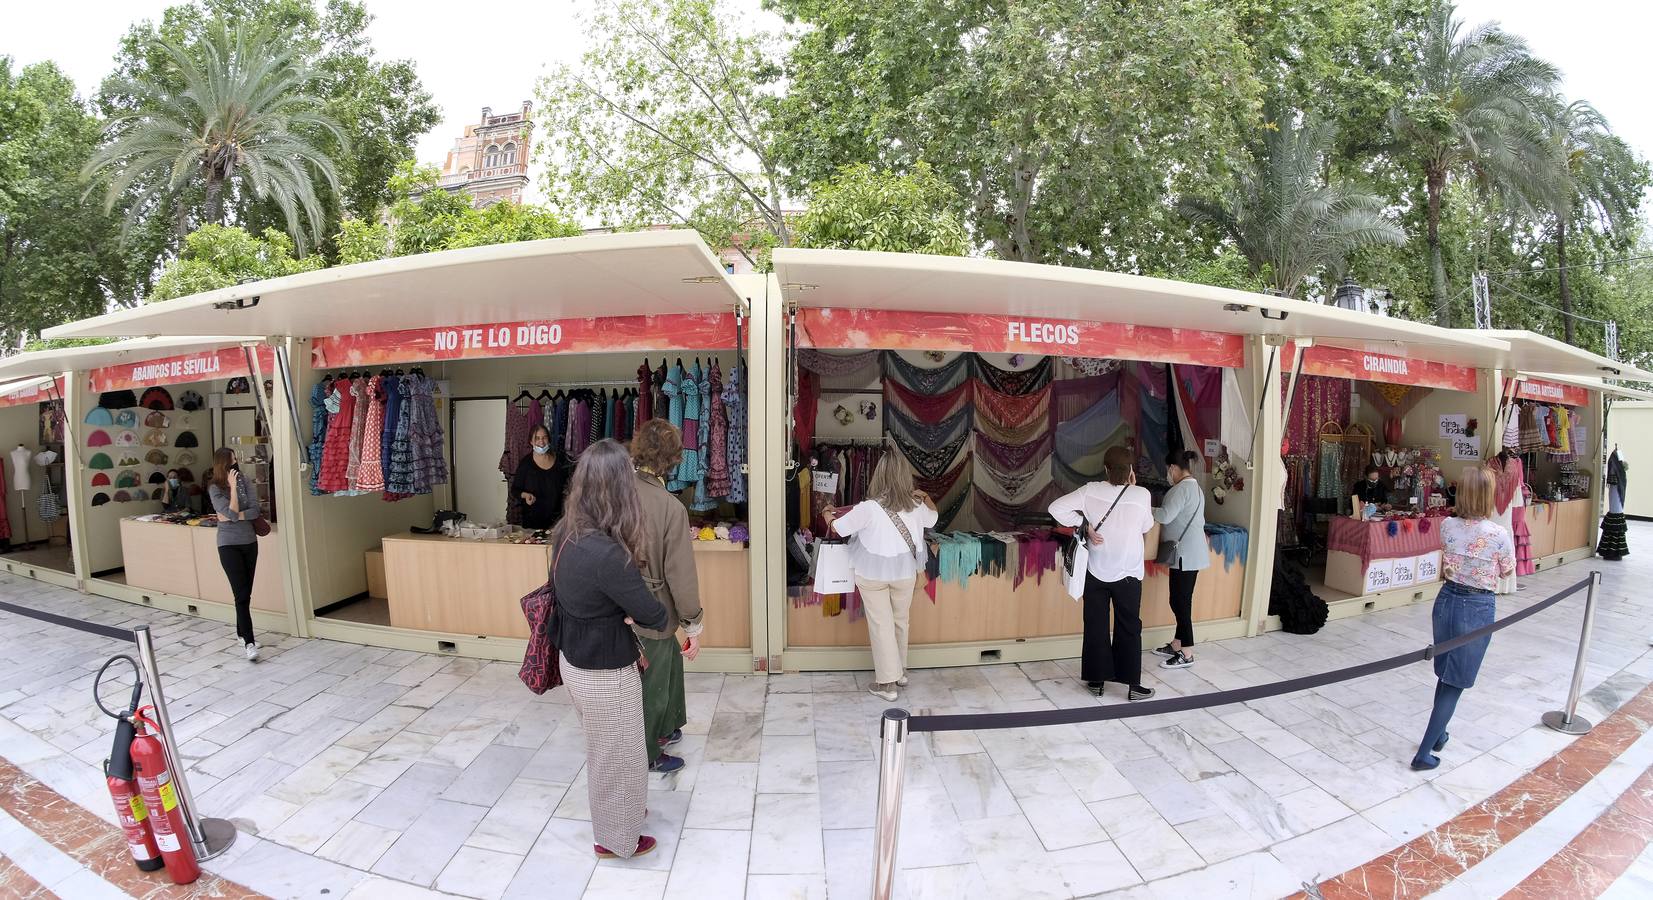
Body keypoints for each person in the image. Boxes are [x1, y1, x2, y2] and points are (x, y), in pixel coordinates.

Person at [548, 438, 670, 859]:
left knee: (607, 749)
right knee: (618, 754)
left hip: (574, 661)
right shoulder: (608, 555)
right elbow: (653, 614)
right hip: (605, 671)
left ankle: (625, 813)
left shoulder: (567, 533)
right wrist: (640, 614)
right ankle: (616, 840)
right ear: (620, 489)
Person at [1412, 464, 1513, 771]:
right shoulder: (1498, 534)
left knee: (1447, 673)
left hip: (1446, 601)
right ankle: (1424, 752)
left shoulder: (1447, 525)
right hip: (1477, 607)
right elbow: (1507, 570)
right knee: (1456, 681)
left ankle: (1439, 733)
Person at [823, 452, 938, 702]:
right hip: (906, 574)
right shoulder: (917, 506)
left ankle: (887, 684)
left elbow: (839, 529)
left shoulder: (869, 508)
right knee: (900, 621)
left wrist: (827, 515)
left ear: (879, 474)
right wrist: (926, 496)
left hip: (872, 574)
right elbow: (934, 518)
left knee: (881, 625)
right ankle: (901, 673)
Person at [1049, 445, 1157, 701]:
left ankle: (1097, 680)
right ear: (1131, 470)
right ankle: (1132, 685)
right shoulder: (1141, 494)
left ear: (1106, 469)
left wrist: (1083, 525)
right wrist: (1133, 487)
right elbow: (1146, 526)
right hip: (1129, 572)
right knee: (1129, 626)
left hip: (1096, 570)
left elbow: (1056, 508)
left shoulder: (1091, 491)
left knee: (1095, 624)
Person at [629, 420, 705, 774]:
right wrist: (694, 623)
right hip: (653, 608)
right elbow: (681, 575)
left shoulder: (616, 493)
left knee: (668, 662)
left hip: (618, 603)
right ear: (673, 460)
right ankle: (648, 752)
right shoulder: (670, 507)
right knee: (653, 682)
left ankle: (668, 726)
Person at [1151, 450, 1208, 670]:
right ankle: (1177, 643)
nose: (1168, 474)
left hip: (1184, 554)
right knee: (1181, 600)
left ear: (1173, 468)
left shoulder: (1180, 489)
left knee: (1180, 603)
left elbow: (1165, 516)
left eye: (1168, 470)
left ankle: (1187, 652)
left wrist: (1144, 508)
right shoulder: (1196, 488)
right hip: (1192, 553)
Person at [207, 449, 261, 661]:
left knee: (245, 593)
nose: (236, 463)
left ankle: (240, 633)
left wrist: (234, 515)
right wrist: (232, 490)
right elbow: (230, 514)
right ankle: (249, 642)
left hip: (250, 542)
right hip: (228, 545)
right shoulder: (214, 488)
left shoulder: (245, 480)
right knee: (240, 594)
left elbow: (255, 510)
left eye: (237, 459)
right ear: (223, 464)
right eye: (232, 460)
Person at [511, 424, 566, 530]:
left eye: (544, 437)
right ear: (531, 442)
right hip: (533, 522)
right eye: (537, 438)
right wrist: (525, 495)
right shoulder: (525, 464)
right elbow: (515, 490)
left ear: (549, 440)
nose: (541, 442)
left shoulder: (560, 461)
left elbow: (568, 488)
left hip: (558, 522)